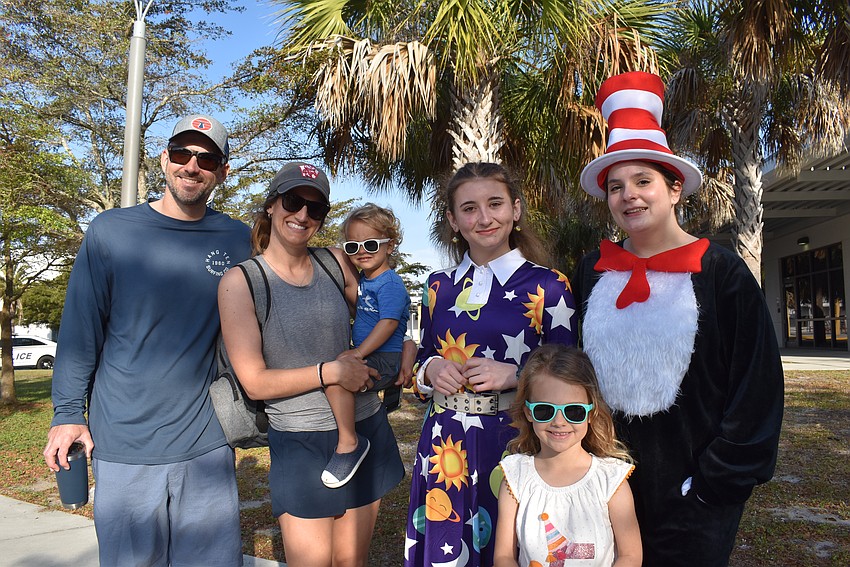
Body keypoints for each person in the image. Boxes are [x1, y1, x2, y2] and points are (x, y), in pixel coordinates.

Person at [572, 71, 784, 566]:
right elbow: (567, 366)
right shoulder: (589, 270)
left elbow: (756, 386)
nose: (630, 196)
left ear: (674, 190)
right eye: (616, 187)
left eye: (644, 181)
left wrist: (716, 484)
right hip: (605, 486)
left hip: (695, 496)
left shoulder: (721, 271)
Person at [44, 115, 251, 566]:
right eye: (182, 154)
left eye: (206, 158)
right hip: (123, 445)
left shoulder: (238, 238)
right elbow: (81, 330)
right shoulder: (110, 231)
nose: (191, 166)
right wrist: (66, 414)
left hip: (207, 443)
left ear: (222, 171)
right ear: (164, 159)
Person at [217, 162, 405, 566]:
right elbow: (254, 383)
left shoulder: (335, 262)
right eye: (293, 201)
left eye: (315, 209)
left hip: (364, 424)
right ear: (271, 205)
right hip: (302, 442)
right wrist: (330, 372)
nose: (302, 215)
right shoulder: (242, 281)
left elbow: (383, 316)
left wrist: (406, 349)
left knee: (351, 562)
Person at [404, 162, 579, 567]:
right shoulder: (437, 286)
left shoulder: (550, 285)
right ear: (452, 219)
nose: (484, 218)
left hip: (517, 444)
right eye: (468, 208)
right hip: (444, 445)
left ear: (515, 210)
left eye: (495, 203)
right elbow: (422, 364)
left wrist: (518, 377)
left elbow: (571, 379)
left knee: (516, 550)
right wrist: (428, 371)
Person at [493, 344, 641, 567]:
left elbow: (630, 556)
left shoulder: (611, 480)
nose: (559, 422)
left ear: (591, 414)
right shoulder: (516, 478)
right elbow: (503, 557)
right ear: (528, 412)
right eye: (545, 410)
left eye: (574, 411)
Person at [320, 203, 411, 488]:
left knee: (336, 381)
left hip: (382, 356)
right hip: (376, 352)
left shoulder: (389, 284)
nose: (362, 251)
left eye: (371, 243)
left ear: (390, 246)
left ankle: (350, 444)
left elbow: (389, 323)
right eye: (353, 245)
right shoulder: (365, 281)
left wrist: (357, 353)